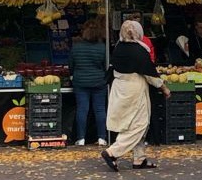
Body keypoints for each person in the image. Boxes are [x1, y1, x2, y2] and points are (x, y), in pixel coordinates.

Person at [101, 20, 169, 171]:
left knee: (129, 124)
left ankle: (139, 158)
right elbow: (149, 73)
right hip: (135, 89)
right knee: (140, 124)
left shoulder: (118, 48)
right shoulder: (139, 50)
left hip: (120, 88)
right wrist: (163, 87)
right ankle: (112, 152)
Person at [69, 17, 109, 147]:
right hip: (99, 82)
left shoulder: (76, 47)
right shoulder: (103, 48)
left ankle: (81, 138)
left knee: (82, 109)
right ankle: (102, 138)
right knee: (100, 110)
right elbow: (106, 66)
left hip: (80, 82)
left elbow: (71, 65)